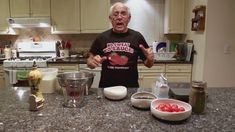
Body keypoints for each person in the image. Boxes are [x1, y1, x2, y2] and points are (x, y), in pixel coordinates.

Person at [87, 2, 154, 88]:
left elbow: (149, 64)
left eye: (123, 13)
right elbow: (90, 58)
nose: (119, 17)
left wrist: (150, 59)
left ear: (129, 18)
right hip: (107, 88)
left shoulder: (137, 37)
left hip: (130, 88)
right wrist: (91, 62)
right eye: (115, 14)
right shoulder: (101, 37)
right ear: (110, 19)